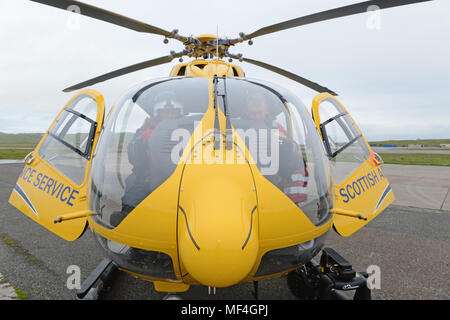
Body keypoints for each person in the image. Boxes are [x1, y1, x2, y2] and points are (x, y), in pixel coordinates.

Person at [110, 92, 183, 227]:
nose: (170, 115)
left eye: (173, 112)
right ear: (158, 114)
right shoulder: (145, 130)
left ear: (179, 113)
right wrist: (141, 143)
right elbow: (133, 158)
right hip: (149, 175)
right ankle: (127, 221)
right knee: (135, 187)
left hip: (182, 174)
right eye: (166, 112)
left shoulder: (186, 128)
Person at [244, 92, 309, 205]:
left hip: (272, 170)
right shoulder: (238, 127)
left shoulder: (276, 127)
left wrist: (283, 139)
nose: (256, 117)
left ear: (266, 113)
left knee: (298, 161)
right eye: (252, 114)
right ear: (246, 113)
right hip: (246, 169)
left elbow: (294, 148)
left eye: (259, 113)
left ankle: (293, 203)